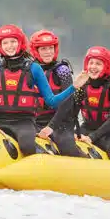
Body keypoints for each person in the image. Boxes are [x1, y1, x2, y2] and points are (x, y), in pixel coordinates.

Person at [0, 24, 76, 157]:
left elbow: (52, 101)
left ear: (20, 42)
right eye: (5, 42)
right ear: (0, 45)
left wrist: (74, 87)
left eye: (13, 41)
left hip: (23, 122)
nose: (10, 46)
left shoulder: (34, 68)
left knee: (27, 146)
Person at [44, 46, 110, 161]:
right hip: (87, 128)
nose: (93, 67)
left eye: (98, 63)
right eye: (91, 63)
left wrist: (92, 138)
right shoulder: (83, 86)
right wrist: (55, 129)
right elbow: (71, 112)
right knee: (66, 144)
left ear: (106, 66)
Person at [28, 29, 87, 157]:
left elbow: (68, 102)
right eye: (43, 49)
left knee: (68, 149)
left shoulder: (62, 70)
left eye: (50, 48)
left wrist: (51, 127)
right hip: (36, 121)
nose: (48, 52)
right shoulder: (29, 70)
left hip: (61, 123)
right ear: (35, 50)